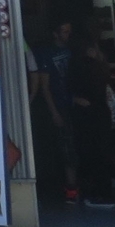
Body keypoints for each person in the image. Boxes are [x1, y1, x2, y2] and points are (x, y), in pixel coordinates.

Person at [68, 39, 115, 210]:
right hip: (101, 114)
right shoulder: (101, 67)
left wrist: (75, 99)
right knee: (103, 154)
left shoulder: (76, 66)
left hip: (84, 116)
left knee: (88, 155)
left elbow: (70, 88)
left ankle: (92, 193)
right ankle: (104, 193)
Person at [33, 19, 79, 203]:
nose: (68, 35)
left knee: (74, 144)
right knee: (66, 146)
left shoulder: (72, 50)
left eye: (69, 31)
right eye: (65, 31)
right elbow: (44, 86)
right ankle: (70, 188)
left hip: (74, 103)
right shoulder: (47, 53)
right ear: (55, 33)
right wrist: (54, 112)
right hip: (58, 105)